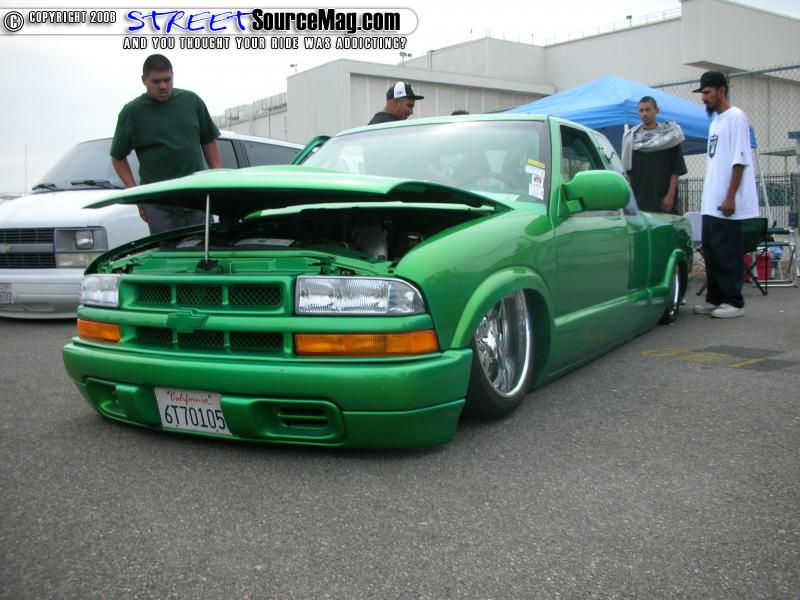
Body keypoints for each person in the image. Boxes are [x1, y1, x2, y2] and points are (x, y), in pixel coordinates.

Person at [111, 54, 221, 234]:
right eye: (156, 81)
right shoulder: (132, 113)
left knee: (203, 248)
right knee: (166, 251)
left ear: (173, 76)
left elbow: (208, 140)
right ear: (144, 80)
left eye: (167, 80)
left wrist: (217, 179)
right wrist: (136, 196)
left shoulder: (191, 101)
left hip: (197, 200)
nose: (162, 86)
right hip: (159, 205)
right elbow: (117, 158)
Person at [692, 70, 759, 319]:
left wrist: (730, 197)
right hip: (711, 202)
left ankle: (734, 302)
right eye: (702, 93)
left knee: (727, 253)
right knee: (711, 252)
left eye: (707, 92)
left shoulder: (736, 117)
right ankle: (715, 299)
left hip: (727, 202)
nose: (703, 98)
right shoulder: (715, 122)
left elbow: (739, 160)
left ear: (722, 90)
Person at [621, 96, 687, 214]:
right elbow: (628, 172)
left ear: (657, 110)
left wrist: (670, 195)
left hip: (664, 199)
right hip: (639, 200)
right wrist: (629, 199)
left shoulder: (670, 135)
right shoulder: (631, 138)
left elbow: (676, 169)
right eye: (641, 110)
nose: (644, 114)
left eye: (648, 109)